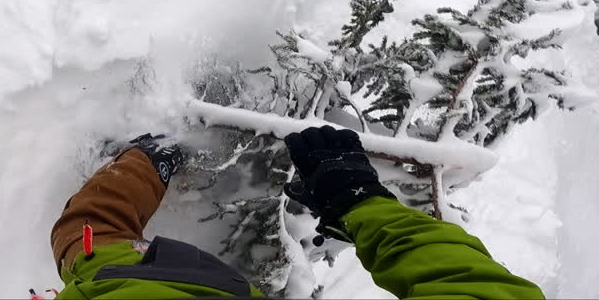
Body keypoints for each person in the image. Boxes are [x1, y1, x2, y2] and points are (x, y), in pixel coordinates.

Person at [49, 125, 545, 299]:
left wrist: (358, 201)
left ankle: (149, 157)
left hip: (129, 286)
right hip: (154, 285)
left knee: (89, 233)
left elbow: (471, 289)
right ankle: (149, 156)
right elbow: (472, 289)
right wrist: (359, 201)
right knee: (88, 237)